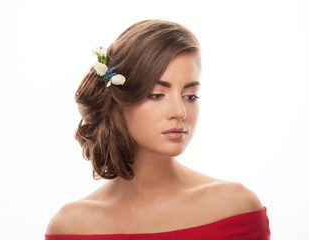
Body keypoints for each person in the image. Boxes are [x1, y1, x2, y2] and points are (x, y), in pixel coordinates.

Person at [45, 19, 270, 239]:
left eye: (190, 96)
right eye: (156, 95)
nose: (180, 111)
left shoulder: (235, 207)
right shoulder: (70, 227)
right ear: (119, 99)